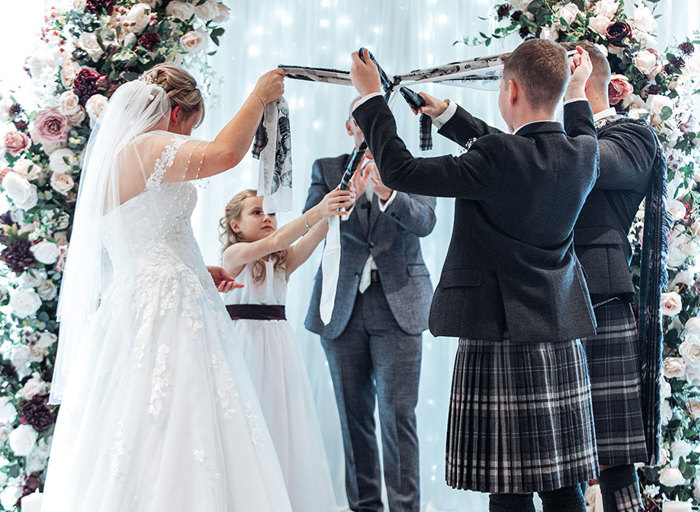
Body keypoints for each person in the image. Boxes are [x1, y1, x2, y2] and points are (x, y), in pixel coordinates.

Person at [349, 41, 599, 512]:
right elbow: (528, 148)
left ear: (510, 90)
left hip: (498, 332)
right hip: (559, 333)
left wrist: (371, 100)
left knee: (508, 489)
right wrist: (449, 115)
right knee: (563, 485)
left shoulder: (499, 156)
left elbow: (400, 170)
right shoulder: (584, 152)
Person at [42, 64, 294, 511]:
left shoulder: (121, 155)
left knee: (144, 413)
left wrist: (203, 269)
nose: (188, 135)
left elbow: (155, 233)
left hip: (151, 290)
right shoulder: (147, 146)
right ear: (177, 114)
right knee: (179, 411)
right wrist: (257, 96)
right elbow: (223, 155)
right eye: (191, 125)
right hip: (165, 302)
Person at [303, 98, 436, 512]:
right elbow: (308, 225)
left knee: (398, 419)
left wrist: (387, 193)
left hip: (400, 305)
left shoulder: (412, 169)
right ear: (350, 127)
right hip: (340, 309)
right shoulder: (327, 169)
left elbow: (426, 221)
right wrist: (343, 199)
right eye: (360, 122)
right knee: (352, 418)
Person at [559, 40, 665, 512]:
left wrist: (575, 98)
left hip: (602, 295)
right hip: (547, 297)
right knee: (551, 453)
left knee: (614, 453)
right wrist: (447, 115)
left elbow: (592, 166)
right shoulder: (553, 138)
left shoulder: (634, 136)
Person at [218, 187, 353, 512]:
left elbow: (311, 239)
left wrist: (341, 204)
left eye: (271, 213)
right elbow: (276, 241)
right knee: (251, 419)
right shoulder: (232, 257)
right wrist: (316, 211)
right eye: (256, 212)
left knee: (282, 420)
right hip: (244, 343)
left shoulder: (281, 262)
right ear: (235, 226)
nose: (267, 218)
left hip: (278, 346)